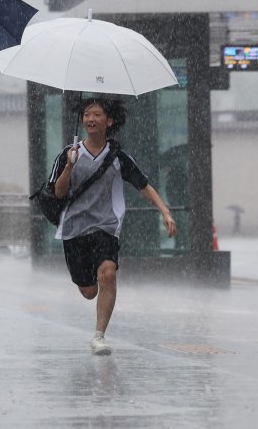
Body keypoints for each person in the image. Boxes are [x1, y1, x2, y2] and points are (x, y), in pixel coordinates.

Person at [49, 97, 177, 355]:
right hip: (74, 230)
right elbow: (59, 192)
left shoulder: (118, 157)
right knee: (88, 291)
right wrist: (69, 167)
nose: (91, 119)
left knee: (108, 273)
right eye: (87, 114)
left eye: (97, 114)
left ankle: (99, 336)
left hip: (105, 227)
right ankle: (90, 292)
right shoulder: (69, 153)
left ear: (110, 121)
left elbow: (143, 185)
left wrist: (165, 212)